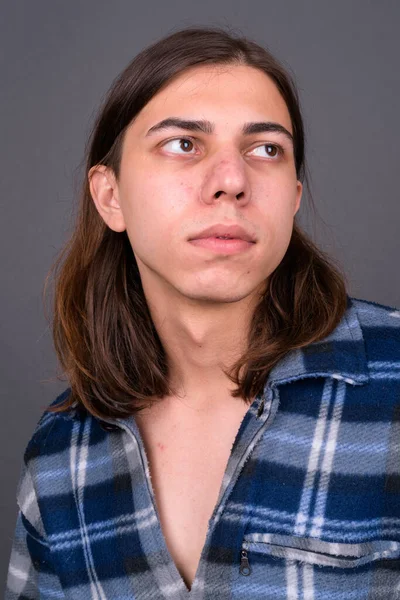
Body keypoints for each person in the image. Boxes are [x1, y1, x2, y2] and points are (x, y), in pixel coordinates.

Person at [5, 26, 400, 600]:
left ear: (292, 197)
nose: (232, 181)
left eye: (265, 149)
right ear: (110, 195)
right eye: (183, 144)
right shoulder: (61, 459)